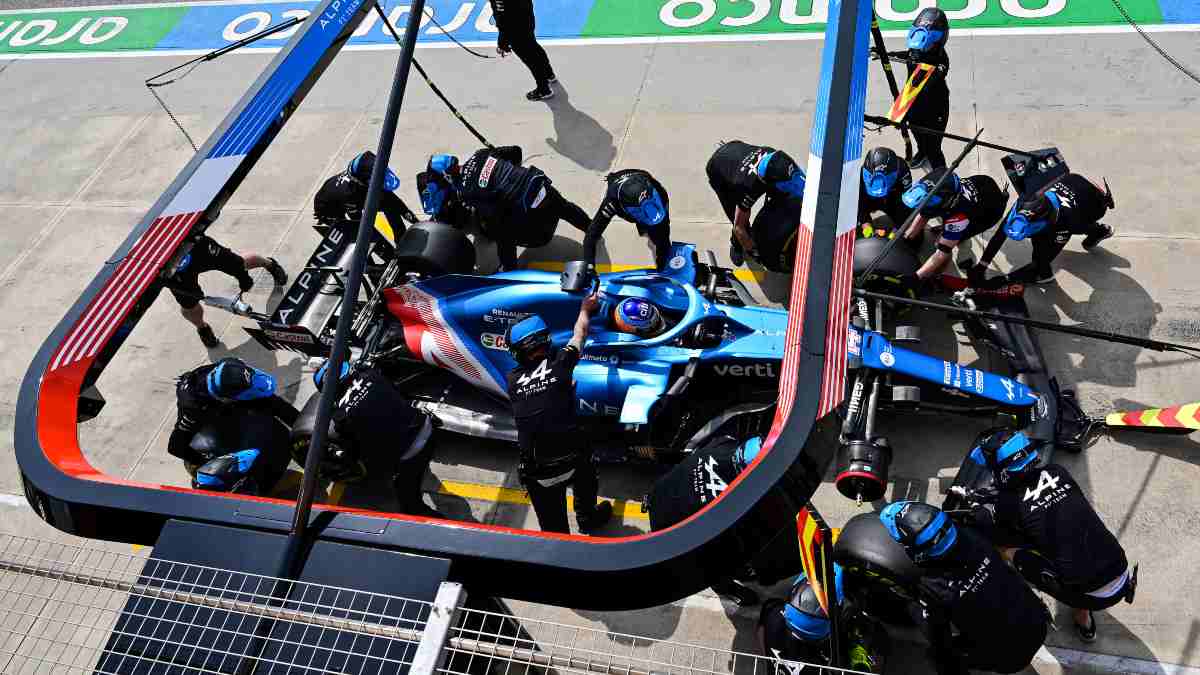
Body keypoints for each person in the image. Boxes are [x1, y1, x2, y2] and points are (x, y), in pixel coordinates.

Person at [956, 428, 1136, 642]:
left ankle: (1077, 611)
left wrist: (980, 509)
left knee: (1005, 549)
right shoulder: (1057, 471)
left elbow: (1002, 534)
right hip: (1121, 571)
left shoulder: (1009, 504)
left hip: (1092, 594)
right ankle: (1084, 620)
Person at [880, 501, 1049, 675]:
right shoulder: (974, 535)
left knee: (940, 657)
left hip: (1010, 657)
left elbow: (938, 635)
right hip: (1037, 620)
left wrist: (913, 604)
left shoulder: (935, 587)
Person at [505, 296, 614, 534]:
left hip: (538, 473)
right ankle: (587, 519)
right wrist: (585, 308)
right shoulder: (562, 365)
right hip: (575, 459)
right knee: (586, 466)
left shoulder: (511, 381)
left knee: (555, 535)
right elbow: (580, 334)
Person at [311, 359, 442, 516]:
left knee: (410, 506)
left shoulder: (342, 415)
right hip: (427, 427)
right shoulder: (371, 373)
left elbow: (354, 449)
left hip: (411, 453)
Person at [428, 147, 591, 271]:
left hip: (531, 208)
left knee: (502, 234)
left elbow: (494, 214)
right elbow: (516, 151)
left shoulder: (465, 191)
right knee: (564, 207)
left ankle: (509, 270)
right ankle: (592, 230)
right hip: (540, 185)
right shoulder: (481, 154)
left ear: (446, 175)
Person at [647, 436, 765, 606]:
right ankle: (724, 588)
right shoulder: (725, 504)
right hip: (666, 523)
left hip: (664, 491)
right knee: (713, 559)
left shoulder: (724, 444)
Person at [969, 173, 1116, 286]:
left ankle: (1100, 230)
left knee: (1043, 257)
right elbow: (999, 236)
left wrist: (1005, 279)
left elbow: (1040, 263)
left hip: (1094, 204)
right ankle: (1098, 230)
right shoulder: (1025, 202)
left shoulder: (1066, 223)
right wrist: (982, 265)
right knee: (1044, 239)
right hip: (1073, 180)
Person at [169, 358, 299, 476]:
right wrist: (209, 462)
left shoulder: (230, 365)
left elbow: (268, 399)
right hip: (214, 424)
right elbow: (175, 446)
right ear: (225, 399)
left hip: (224, 404)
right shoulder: (194, 409)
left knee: (267, 401)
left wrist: (301, 426)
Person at [167, 237, 287, 348]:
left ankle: (269, 264)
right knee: (188, 304)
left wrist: (243, 277)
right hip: (170, 270)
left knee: (239, 264)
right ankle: (202, 327)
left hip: (196, 246)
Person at [705, 141, 806, 267]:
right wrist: (754, 252)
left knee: (782, 195)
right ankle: (736, 245)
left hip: (737, 148)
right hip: (718, 170)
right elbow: (739, 227)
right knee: (738, 220)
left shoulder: (778, 158)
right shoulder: (746, 187)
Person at [901, 168, 1008, 285]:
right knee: (940, 224)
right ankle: (946, 230)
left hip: (988, 213)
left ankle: (937, 274)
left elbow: (942, 253)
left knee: (941, 243)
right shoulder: (936, 182)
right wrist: (905, 239)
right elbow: (923, 214)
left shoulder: (958, 217)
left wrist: (917, 277)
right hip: (983, 183)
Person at [891, 8, 951, 169]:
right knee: (917, 133)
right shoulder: (917, 50)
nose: (916, 53)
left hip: (935, 108)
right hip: (914, 100)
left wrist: (903, 109)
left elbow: (927, 81)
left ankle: (941, 174)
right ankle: (922, 151)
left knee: (934, 147)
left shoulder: (941, 61)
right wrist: (887, 54)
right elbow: (908, 56)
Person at [583, 170, 672, 271]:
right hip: (618, 184)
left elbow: (664, 228)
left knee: (661, 236)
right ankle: (645, 230)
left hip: (641, 179)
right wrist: (589, 267)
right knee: (652, 231)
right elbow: (591, 235)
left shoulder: (657, 189)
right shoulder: (612, 203)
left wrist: (663, 257)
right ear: (625, 208)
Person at [314, 150, 419, 235]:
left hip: (352, 195)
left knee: (390, 204)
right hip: (327, 209)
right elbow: (361, 226)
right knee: (351, 233)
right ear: (363, 181)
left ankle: (401, 237)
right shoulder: (350, 195)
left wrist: (417, 223)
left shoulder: (369, 177)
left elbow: (395, 203)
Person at [489, 0, 557, 101]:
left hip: (516, 28)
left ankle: (544, 89)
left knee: (531, 59)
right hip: (526, 18)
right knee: (534, 47)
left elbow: (504, 19)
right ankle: (549, 74)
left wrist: (502, 43)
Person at [859, 146, 914, 231]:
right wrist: (865, 222)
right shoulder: (860, 174)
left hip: (891, 198)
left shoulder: (902, 169)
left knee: (909, 225)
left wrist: (898, 230)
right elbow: (858, 200)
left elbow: (906, 200)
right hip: (868, 199)